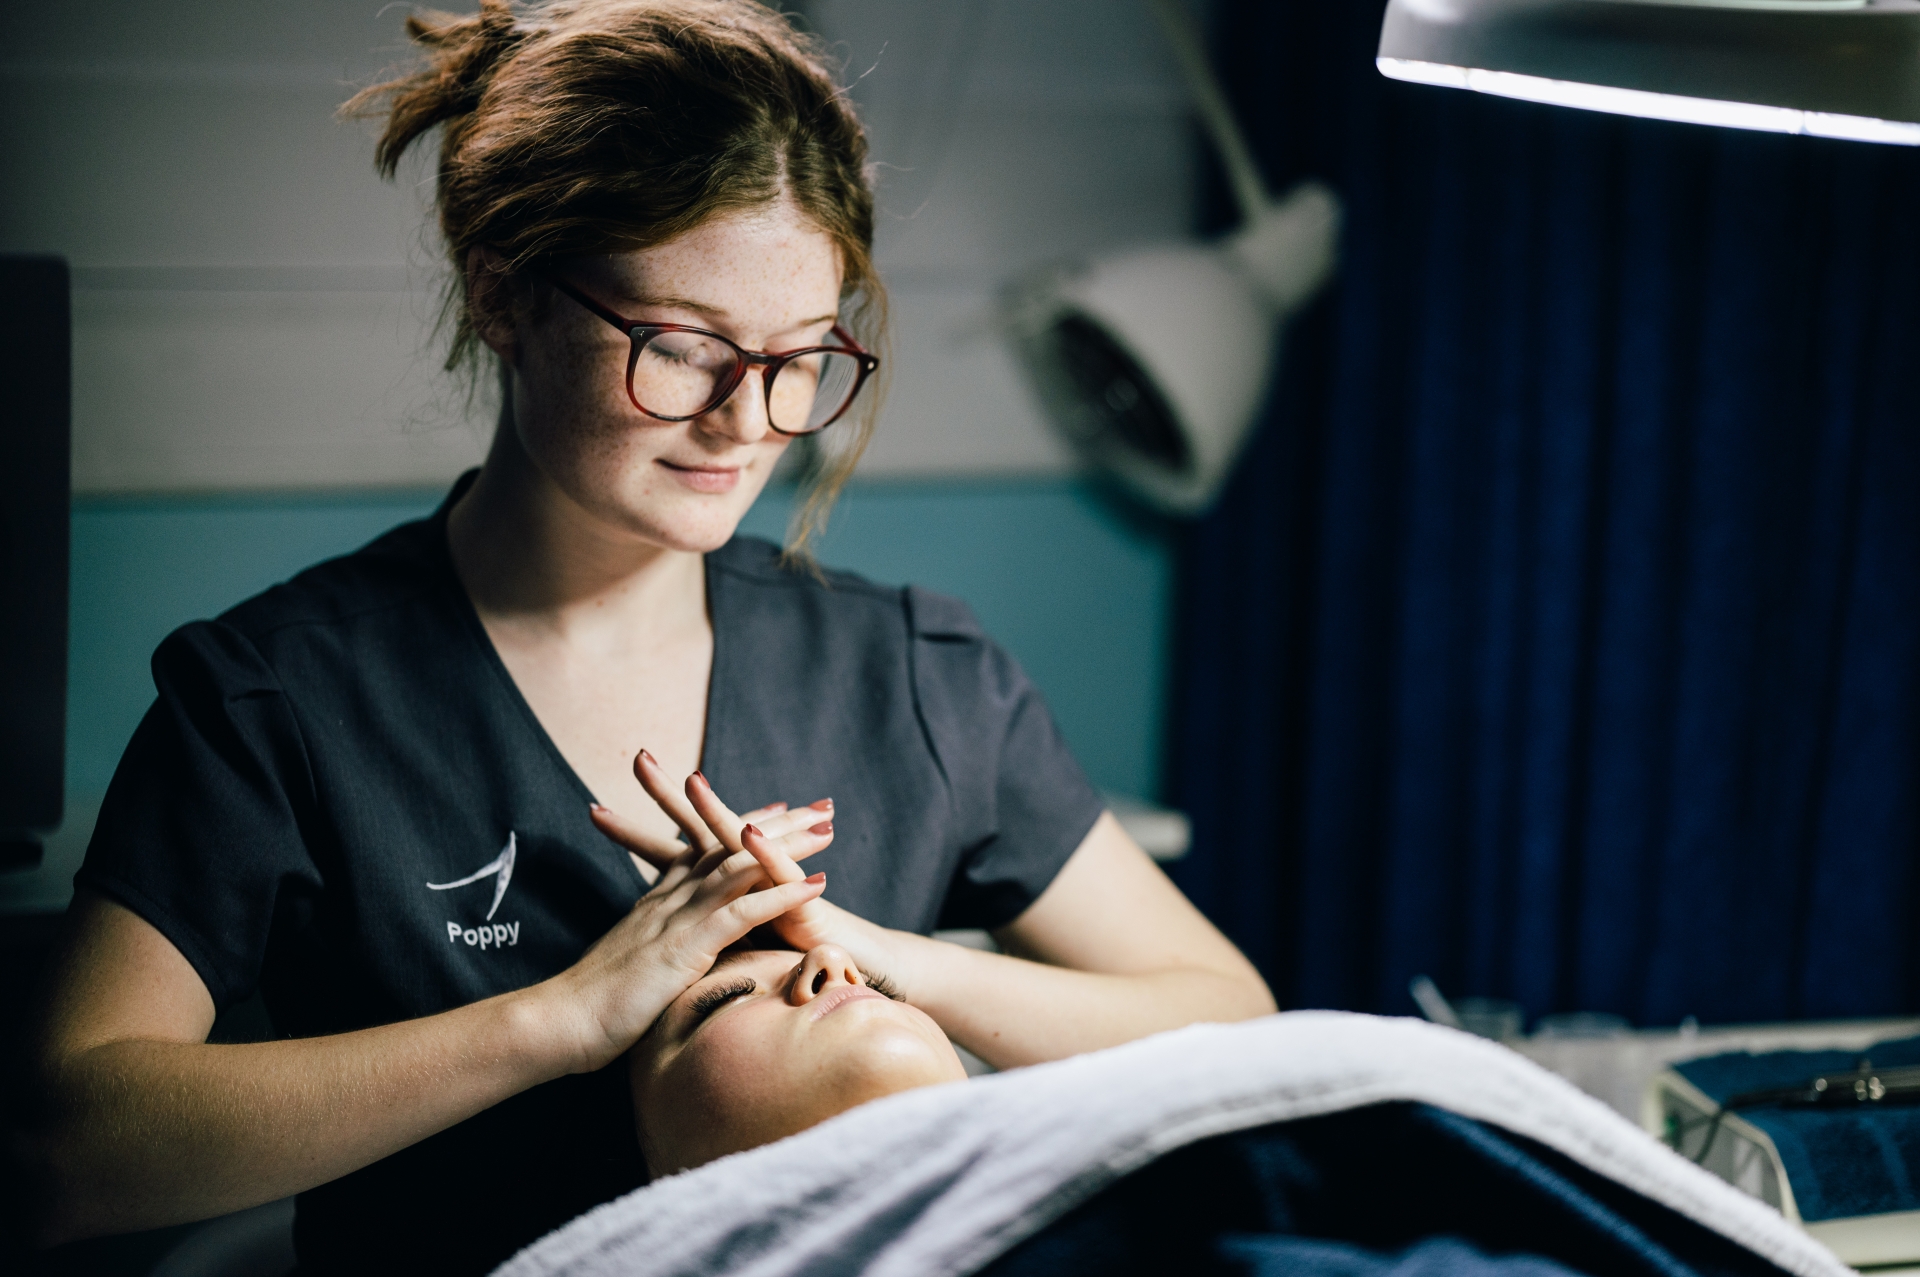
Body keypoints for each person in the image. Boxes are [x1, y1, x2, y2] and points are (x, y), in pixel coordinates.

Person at [28, 2, 1274, 1272]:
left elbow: (1227, 1020)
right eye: (683, 348)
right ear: (503, 294)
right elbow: (56, 1154)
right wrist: (563, 1017)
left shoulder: (916, 677)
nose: (748, 422)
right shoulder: (280, 700)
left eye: (798, 358)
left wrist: (888, 962)